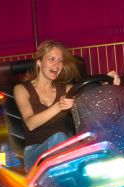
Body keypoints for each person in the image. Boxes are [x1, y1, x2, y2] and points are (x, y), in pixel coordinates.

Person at [13, 40, 81, 172]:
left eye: (60, 61)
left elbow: (91, 96)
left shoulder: (67, 89)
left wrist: (109, 85)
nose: (57, 64)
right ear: (39, 62)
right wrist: (58, 106)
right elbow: (30, 123)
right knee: (59, 137)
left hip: (62, 151)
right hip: (35, 155)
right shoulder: (21, 89)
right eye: (52, 59)